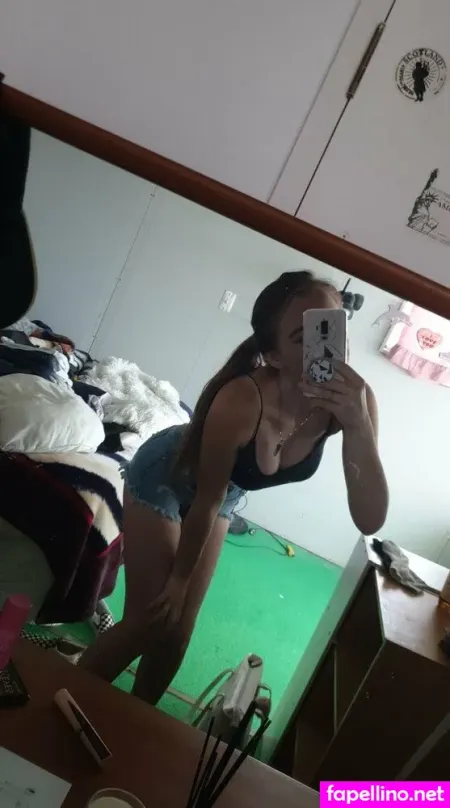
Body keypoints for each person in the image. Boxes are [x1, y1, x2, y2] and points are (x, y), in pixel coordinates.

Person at [79, 271, 389, 703]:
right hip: (166, 475)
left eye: (332, 327)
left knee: (179, 633)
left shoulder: (354, 402)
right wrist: (179, 580)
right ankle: (65, 701)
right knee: (151, 621)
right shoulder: (242, 399)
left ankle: (136, 720)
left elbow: (370, 519)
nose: (327, 348)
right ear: (274, 356)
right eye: (305, 337)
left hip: (225, 492)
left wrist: (357, 424)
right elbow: (205, 501)